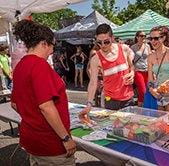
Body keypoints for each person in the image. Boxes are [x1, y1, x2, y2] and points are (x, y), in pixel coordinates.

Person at [11, 20, 76, 165]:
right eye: (53, 45)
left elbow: (14, 104)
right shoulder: (40, 65)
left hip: (32, 140)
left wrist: (32, 117)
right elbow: (46, 106)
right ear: (44, 43)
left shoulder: (20, 65)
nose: (53, 51)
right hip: (51, 144)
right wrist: (65, 138)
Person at [81, 23, 134, 114]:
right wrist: (89, 103)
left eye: (106, 42)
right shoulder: (96, 59)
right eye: (99, 42)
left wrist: (132, 73)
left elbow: (131, 66)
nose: (103, 45)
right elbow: (93, 82)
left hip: (128, 99)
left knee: (128, 127)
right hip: (110, 100)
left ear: (112, 38)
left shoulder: (124, 49)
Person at [147, 26, 169, 120]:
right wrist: (151, 89)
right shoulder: (150, 57)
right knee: (160, 124)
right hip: (158, 93)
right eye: (150, 38)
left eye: (156, 38)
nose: (153, 41)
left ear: (163, 38)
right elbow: (150, 79)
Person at [131, 31, 151, 106]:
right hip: (138, 71)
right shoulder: (133, 47)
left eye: (144, 36)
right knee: (142, 91)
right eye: (141, 35)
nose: (143, 37)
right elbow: (130, 60)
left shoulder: (147, 46)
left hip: (147, 70)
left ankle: (143, 107)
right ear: (137, 37)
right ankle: (141, 108)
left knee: (147, 91)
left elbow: (149, 58)